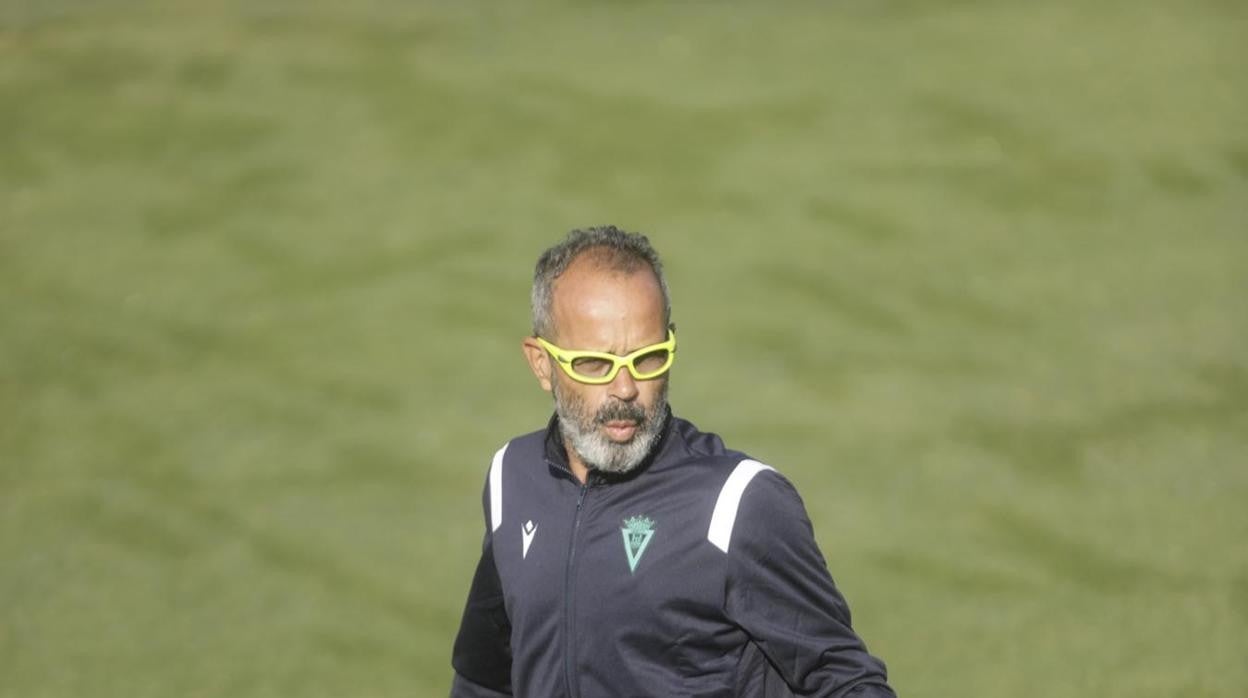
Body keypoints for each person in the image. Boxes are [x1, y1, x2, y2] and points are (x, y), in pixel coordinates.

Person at [450, 226, 896, 697]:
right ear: (541, 363)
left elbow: (847, 683)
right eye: (595, 365)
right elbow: (483, 678)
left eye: (648, 360)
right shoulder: (511, 480)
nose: (625, 389)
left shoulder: (737, 506)